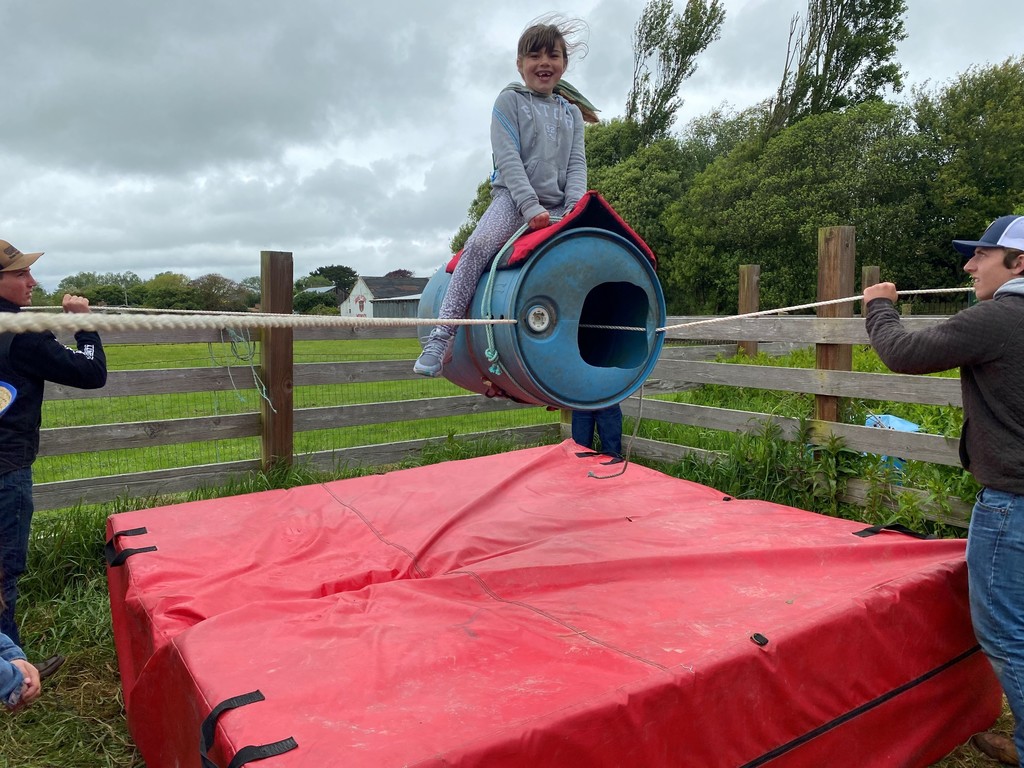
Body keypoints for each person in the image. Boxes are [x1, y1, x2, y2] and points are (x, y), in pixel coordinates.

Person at [863, 215, 1024, 767]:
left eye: (981, 255)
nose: (968, 266)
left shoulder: (1002, 318)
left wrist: (879, 305)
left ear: (1018, 264)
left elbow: (903, 354)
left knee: (1005, 633)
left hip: (1013, 502)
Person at [414, 16, 597, 376]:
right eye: (535, 56)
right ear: (520, 64)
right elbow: (509, 160)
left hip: (561, 206)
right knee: (478, 249)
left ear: (564, 63)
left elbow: (577, 166)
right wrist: (530, 208)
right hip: (514, 202)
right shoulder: (508, 101)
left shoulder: (571, 113)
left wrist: (576, 210)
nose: (544, 63)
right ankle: (442, 335)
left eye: (553, 56)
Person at [0, 237, 107, 681]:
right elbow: (90, 373)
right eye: (20, 274)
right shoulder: (21, 334)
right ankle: (12, 674)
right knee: (4, 568)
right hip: (6, 466)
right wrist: (84, 326)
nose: (32, 281)